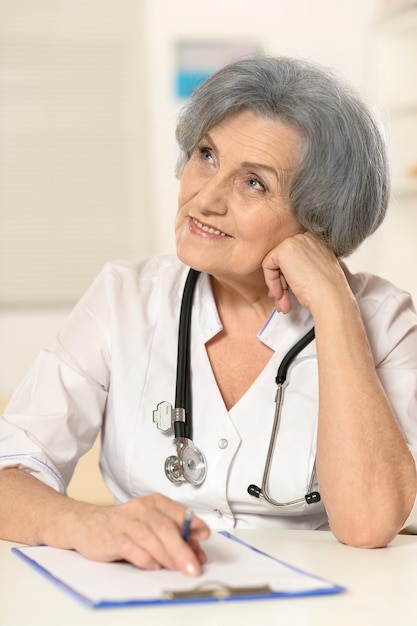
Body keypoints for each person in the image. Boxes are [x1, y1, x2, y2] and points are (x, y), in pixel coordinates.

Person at [1, 55, 417, 577]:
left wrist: (335, 307)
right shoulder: (124, 296)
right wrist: (88, 524)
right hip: (143, 594)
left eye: (254, 184)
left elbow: (369, 524)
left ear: (320, 217)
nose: (206, 198)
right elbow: (10, 472)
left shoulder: (382, 318)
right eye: (207, 156)